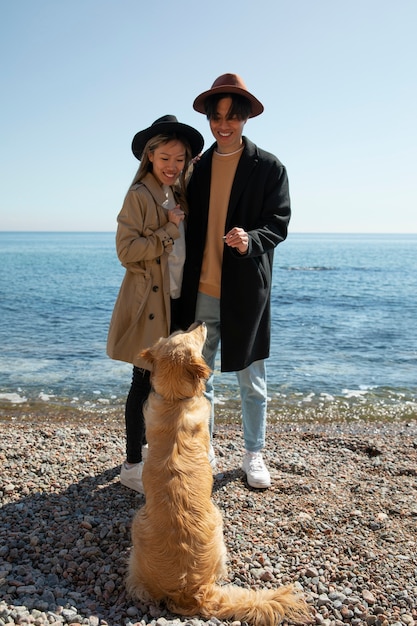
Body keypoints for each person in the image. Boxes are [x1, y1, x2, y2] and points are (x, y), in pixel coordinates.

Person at [180, 74, 291, 489]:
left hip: (246, 293)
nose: (223, 125)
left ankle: (253, 454)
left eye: (232, 117)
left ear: (245, 119)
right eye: (216, 117)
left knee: (252, 382)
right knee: (199, 381)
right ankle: (203, 452)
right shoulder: (198, 167)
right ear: (209, 119)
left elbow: (278, 224)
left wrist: (251, 239)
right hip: (202, 291)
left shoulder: (270, 167)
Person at [107, 115, 204, 494]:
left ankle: (156, 453)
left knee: (166, 384)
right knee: (143, 382)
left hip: (175, 300)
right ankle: (133, 464)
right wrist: (166, 229)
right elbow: (126, 251)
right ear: (149, 157)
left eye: (180, 159)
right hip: (150, 303)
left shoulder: (174, 193)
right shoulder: (140, 195)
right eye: (165, 157)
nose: (172, 166)